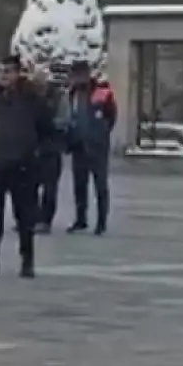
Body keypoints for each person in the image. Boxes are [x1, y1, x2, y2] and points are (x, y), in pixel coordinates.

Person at [0, 56, 53, 278]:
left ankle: (27, 261)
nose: (4, 75)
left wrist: (35, 153)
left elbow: (47, 129)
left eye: (9, 71)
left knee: (24, 217)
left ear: (18, 73)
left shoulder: (31, 99)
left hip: (23, 166)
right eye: (1, 71)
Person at [64, 60, 116, 235]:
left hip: (97, 146)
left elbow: (111, 116)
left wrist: (100, 133)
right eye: (74, 76)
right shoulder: (72, 93)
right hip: (78, 145)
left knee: (100, 184)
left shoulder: (101, 91)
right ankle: (81, 218)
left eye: (79, 75)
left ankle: (102, 221)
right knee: (79, 185)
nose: (76, 79)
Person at [32, 65, 70, 233]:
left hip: (51, 148)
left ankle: (45, 220)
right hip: (31, 148)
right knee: (29, 187)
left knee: (49, 187)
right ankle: (31, 218)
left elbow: (64, 120)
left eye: (41, 80)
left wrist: (48, 125)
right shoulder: (28, 96)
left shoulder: (58, 97)